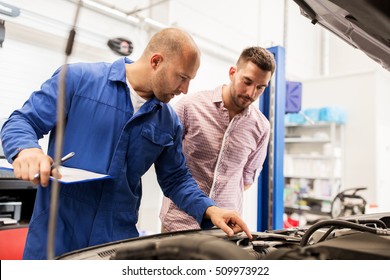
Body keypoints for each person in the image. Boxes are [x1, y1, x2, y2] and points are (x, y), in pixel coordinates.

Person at [0, 27, 252, 260]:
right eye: (182, 77)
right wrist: (26, 149)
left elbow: (176, 179)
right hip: (56, 233)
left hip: (115, 240)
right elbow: (22, 121)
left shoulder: (168, 121)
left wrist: (210, 210)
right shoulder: (78, 80)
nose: (185, 89)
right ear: (156, 61)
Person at [160, 46, 276, 232]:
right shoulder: (189, 107)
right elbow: (165, 161)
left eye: (260, 87)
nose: (251, 93)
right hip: (179, 223)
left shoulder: (261, 127)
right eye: (247, 81)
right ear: (232, 73)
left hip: (226, 229)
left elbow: (246, 180)